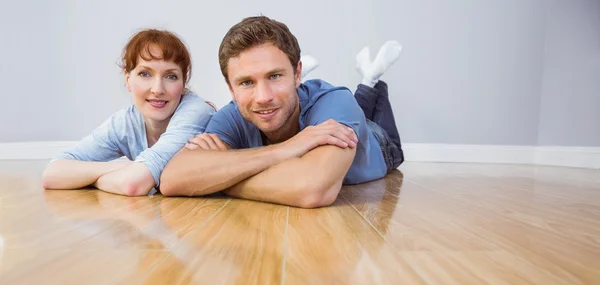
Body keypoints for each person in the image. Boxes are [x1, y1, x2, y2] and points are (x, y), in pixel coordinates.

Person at [159, 16, 404, 208]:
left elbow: (312, 189)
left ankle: (371, 81)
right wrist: (288, 148)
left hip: (380, 145)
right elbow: (172, 180)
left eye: (274, 76)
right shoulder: (234, 115)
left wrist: (220, 180)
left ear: (298, 74)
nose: (263, 97)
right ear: (231, 88)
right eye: (246, 82)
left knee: (362, 106)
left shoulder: (336, 102)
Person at [42, 28, 216, 197]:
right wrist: (125, 168)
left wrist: (92, 177)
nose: (157, 89)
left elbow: (133, 185)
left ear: (183, 83)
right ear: (128, 80)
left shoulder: (196, 112)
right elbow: (52, 174)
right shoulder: (126, 122)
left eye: (171, 76)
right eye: (145, 74)